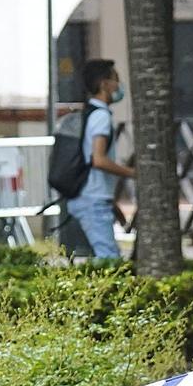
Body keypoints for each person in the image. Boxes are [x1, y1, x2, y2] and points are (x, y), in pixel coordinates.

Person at [70, 58, 133, 262]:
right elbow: (98, 160)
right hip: (92, 199)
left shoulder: (90, 113)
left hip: (91, 196)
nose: (119, 85)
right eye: (116, 79)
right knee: (109, 260)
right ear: (104, 84)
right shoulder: (101, 117)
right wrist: (133, 174)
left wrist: (112, 203)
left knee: (104, 257)